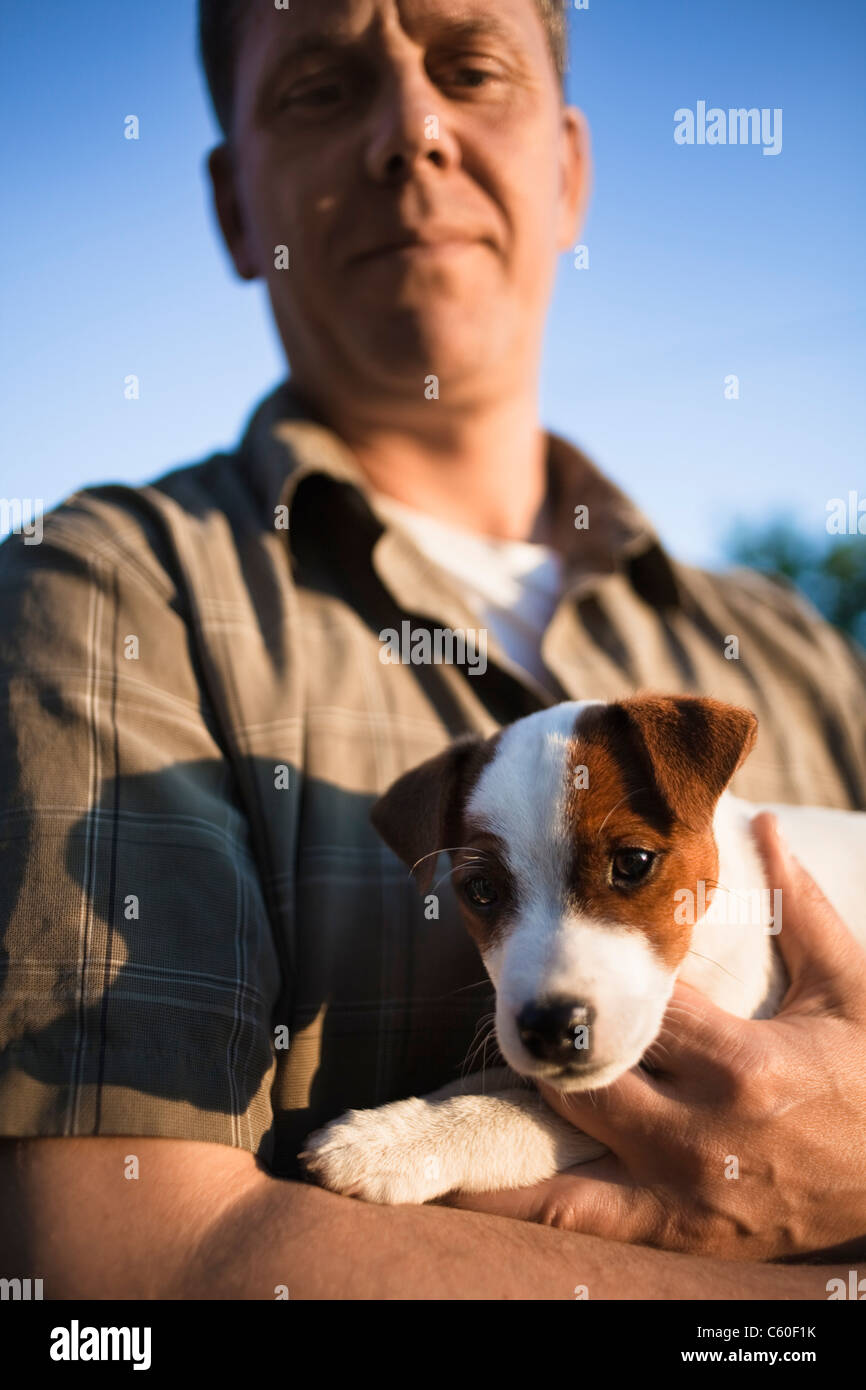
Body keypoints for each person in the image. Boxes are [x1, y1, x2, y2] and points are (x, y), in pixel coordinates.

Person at [0, 0, 864, 1299]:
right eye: (319, 87)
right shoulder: (113, 591)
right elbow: (119, 1263)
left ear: (568, 168)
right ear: (236, 204)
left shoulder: (796, 654)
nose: (411, 130)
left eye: (470, 67)